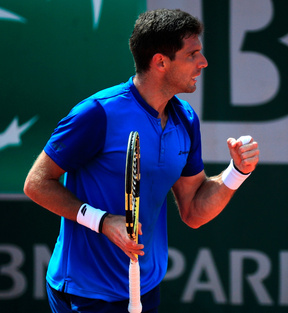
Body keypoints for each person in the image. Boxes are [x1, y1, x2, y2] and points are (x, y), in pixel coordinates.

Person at [23, 8, 259, 313]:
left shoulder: (185, 120)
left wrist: (237, 172)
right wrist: (103, 222)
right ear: (160, 61)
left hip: (143, 288)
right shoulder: (98, 113)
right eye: (193, 54)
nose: (203, 63)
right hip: (87, 292)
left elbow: (194, 211)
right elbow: (36, 184)